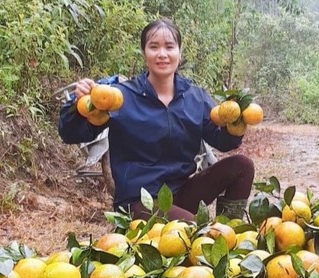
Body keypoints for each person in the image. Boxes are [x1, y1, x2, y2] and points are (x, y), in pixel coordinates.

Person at [58, 17, 255, 221]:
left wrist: (236, 123)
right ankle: (211, 238)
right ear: (145, 53)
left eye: (169, 47)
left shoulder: (195, 97)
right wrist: (78, 106)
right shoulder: (120, 97)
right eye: (154, 47)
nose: (162, 54)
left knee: (242, 166)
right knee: (200, 232)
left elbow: (222, 141)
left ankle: (232, 234)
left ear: (179, 52)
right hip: (139, 202)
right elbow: (70, 133)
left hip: (180, 194)